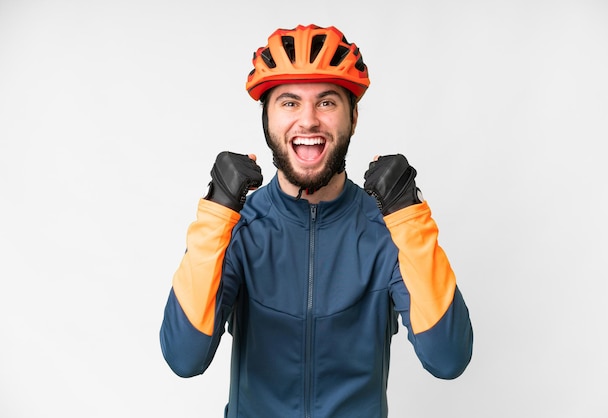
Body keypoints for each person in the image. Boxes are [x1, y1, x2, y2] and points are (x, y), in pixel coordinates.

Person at [160, 24, 473, 417]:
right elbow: (184, 358)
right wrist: (216, 210)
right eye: (289, 102)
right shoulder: (235, 228)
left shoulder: (389, 229)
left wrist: (408, 214)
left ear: (353, 117)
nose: (308, 121)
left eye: (326, 103)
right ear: (267, 118)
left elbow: (448, 358)